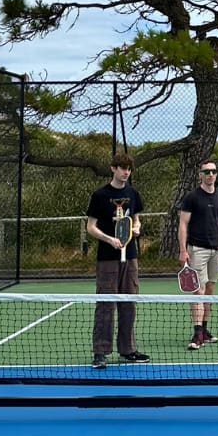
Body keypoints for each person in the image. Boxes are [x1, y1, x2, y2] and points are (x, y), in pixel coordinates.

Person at [84, 152, 149, 369]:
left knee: (129, 302)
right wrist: (109, 239)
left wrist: (137, 228)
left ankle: (128, 350)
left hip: (129, 257)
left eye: (129, 169)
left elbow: (136, 220)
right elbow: (90, 227)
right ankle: (100, 352)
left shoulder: (133, 193)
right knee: (105, 304)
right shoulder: (100, 195)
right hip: (107, 258)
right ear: (113, 168)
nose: (126, 172)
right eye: (122, 168)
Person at [178, 159, 218, 350]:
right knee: (198, 291)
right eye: (207, 172)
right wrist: (183, 250)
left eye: (213, 171)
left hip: (217, 250)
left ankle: (205, 331)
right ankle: (197, 333)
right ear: (200, 174)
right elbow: (183, 224)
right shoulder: (191, 198)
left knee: (209, 291)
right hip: (197, 249)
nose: (210, 175)